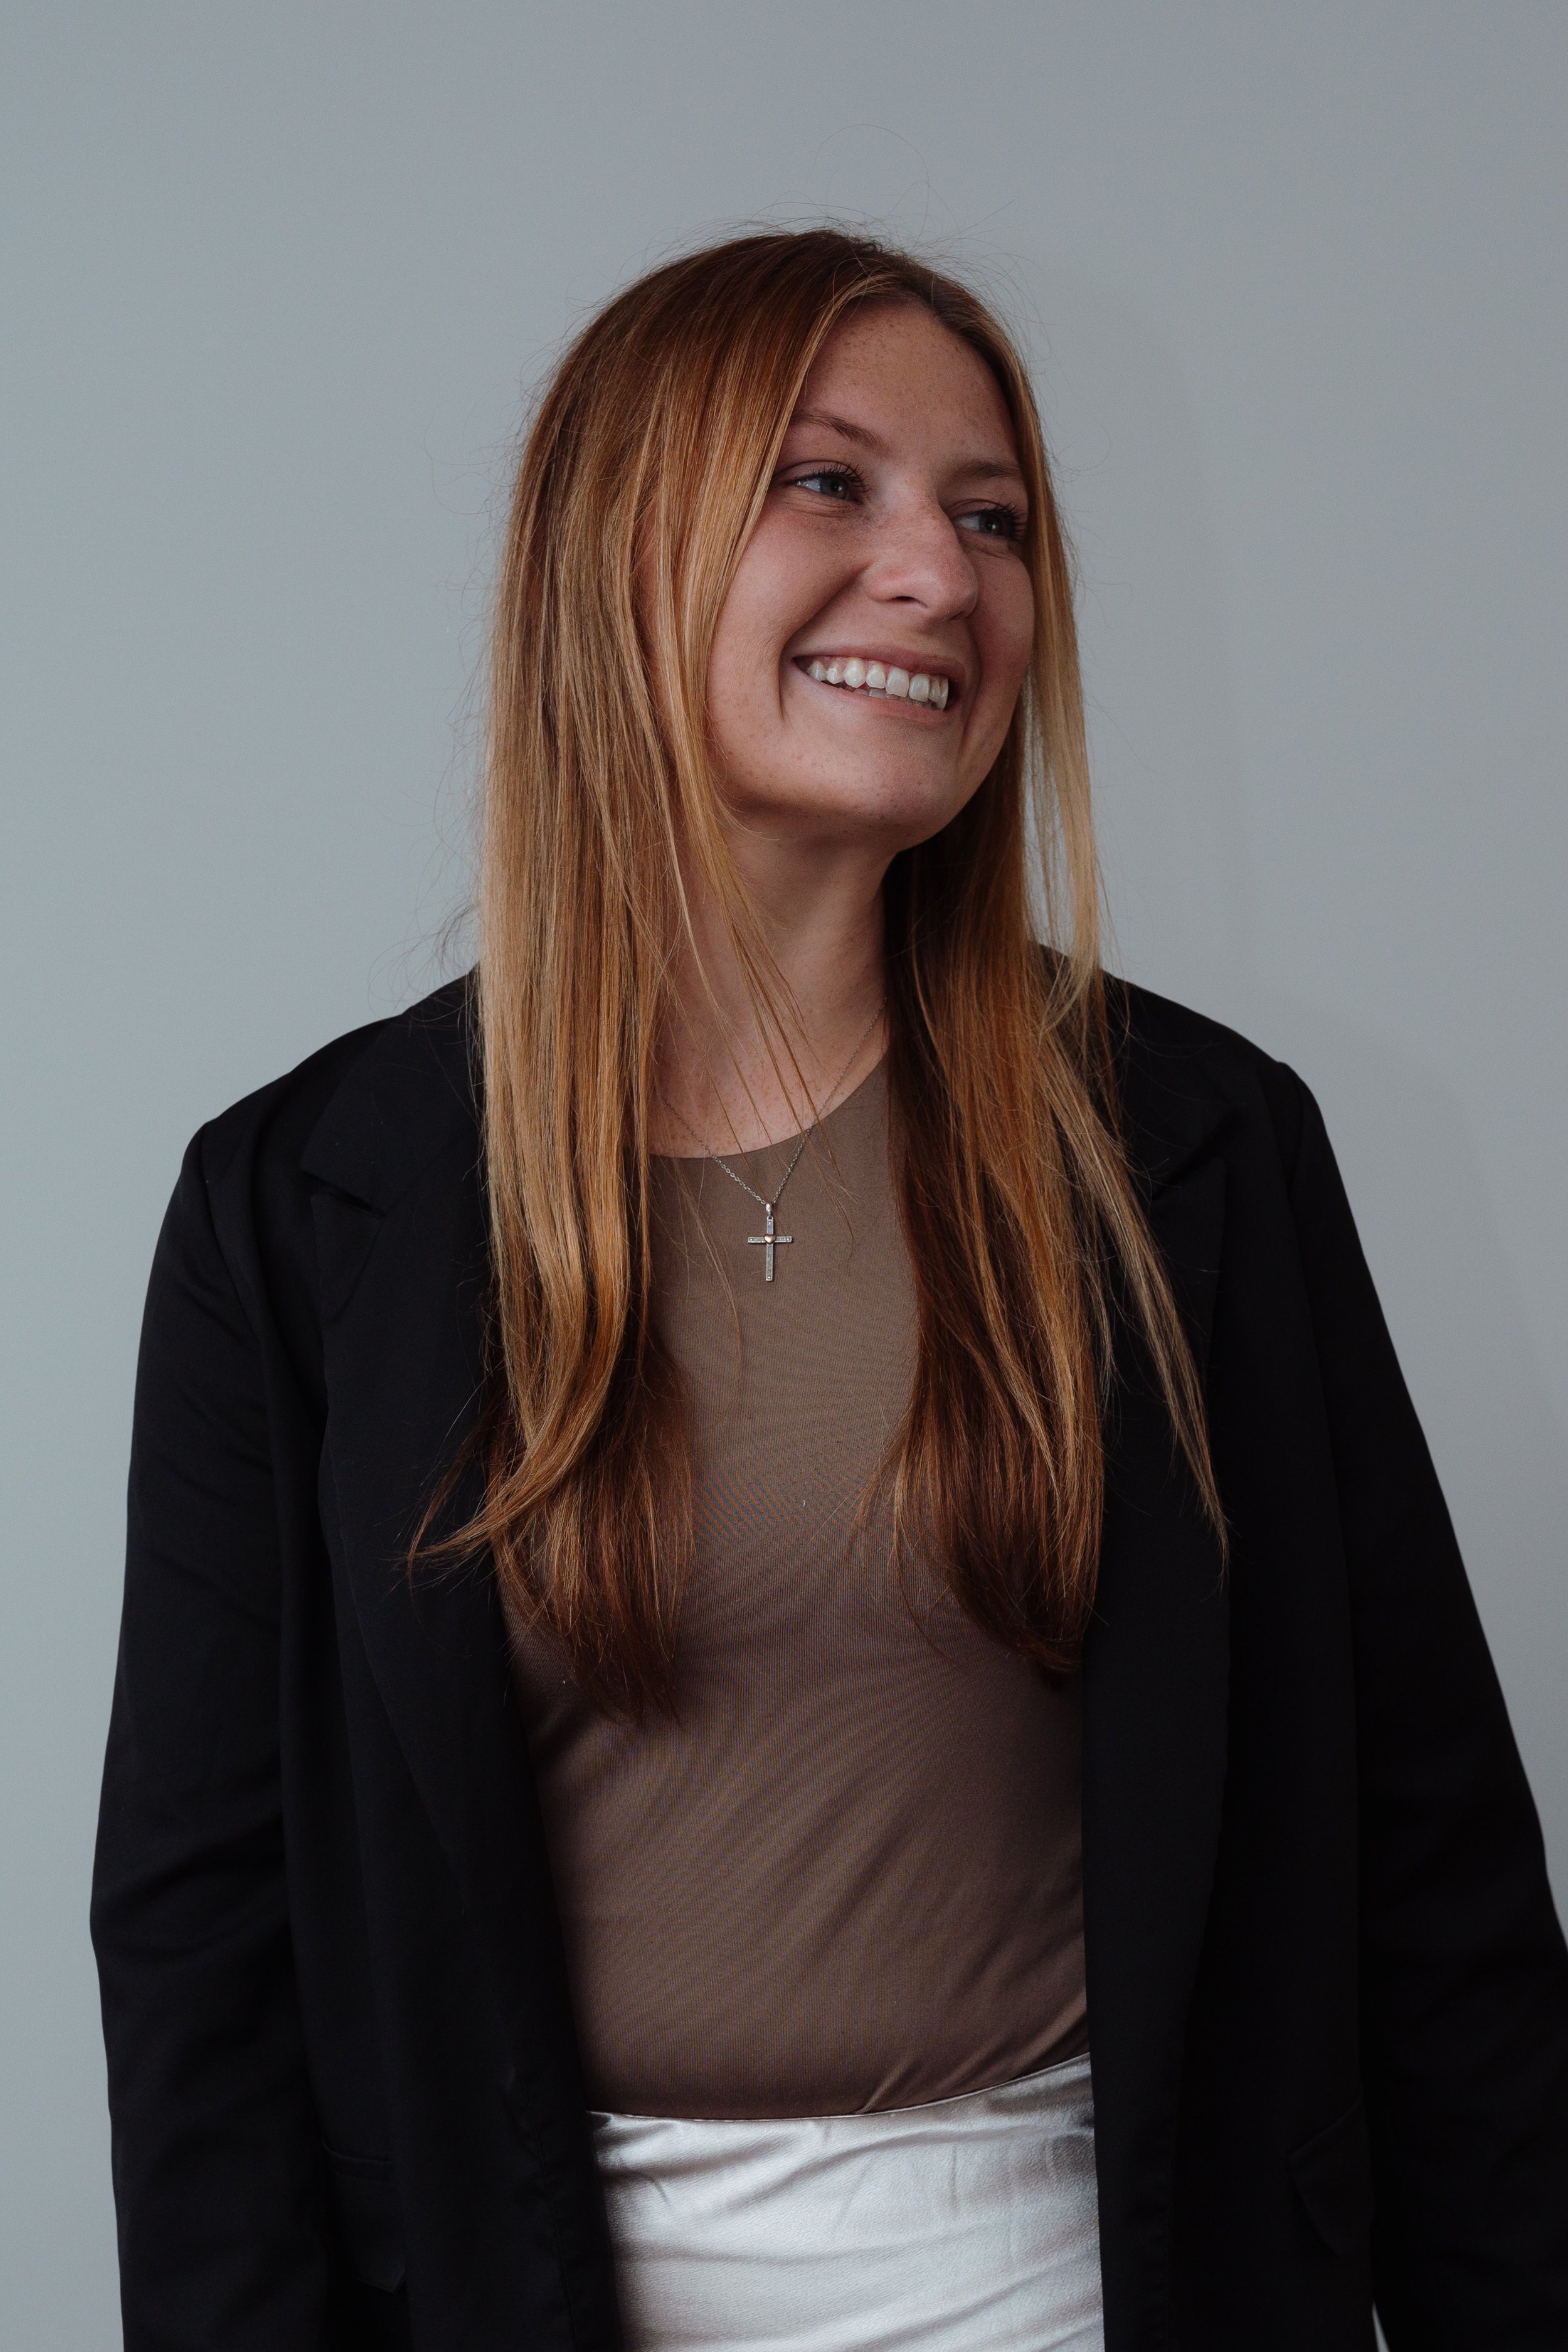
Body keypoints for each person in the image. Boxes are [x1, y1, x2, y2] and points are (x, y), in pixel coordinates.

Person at [91, 229, 1568, 2352]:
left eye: (992, 519)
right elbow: (201, 1951)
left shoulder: (1197, 1151)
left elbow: (1434, 1892)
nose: (939, 576)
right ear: (621, 552)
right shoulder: (299, 1208)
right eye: (830, 484)